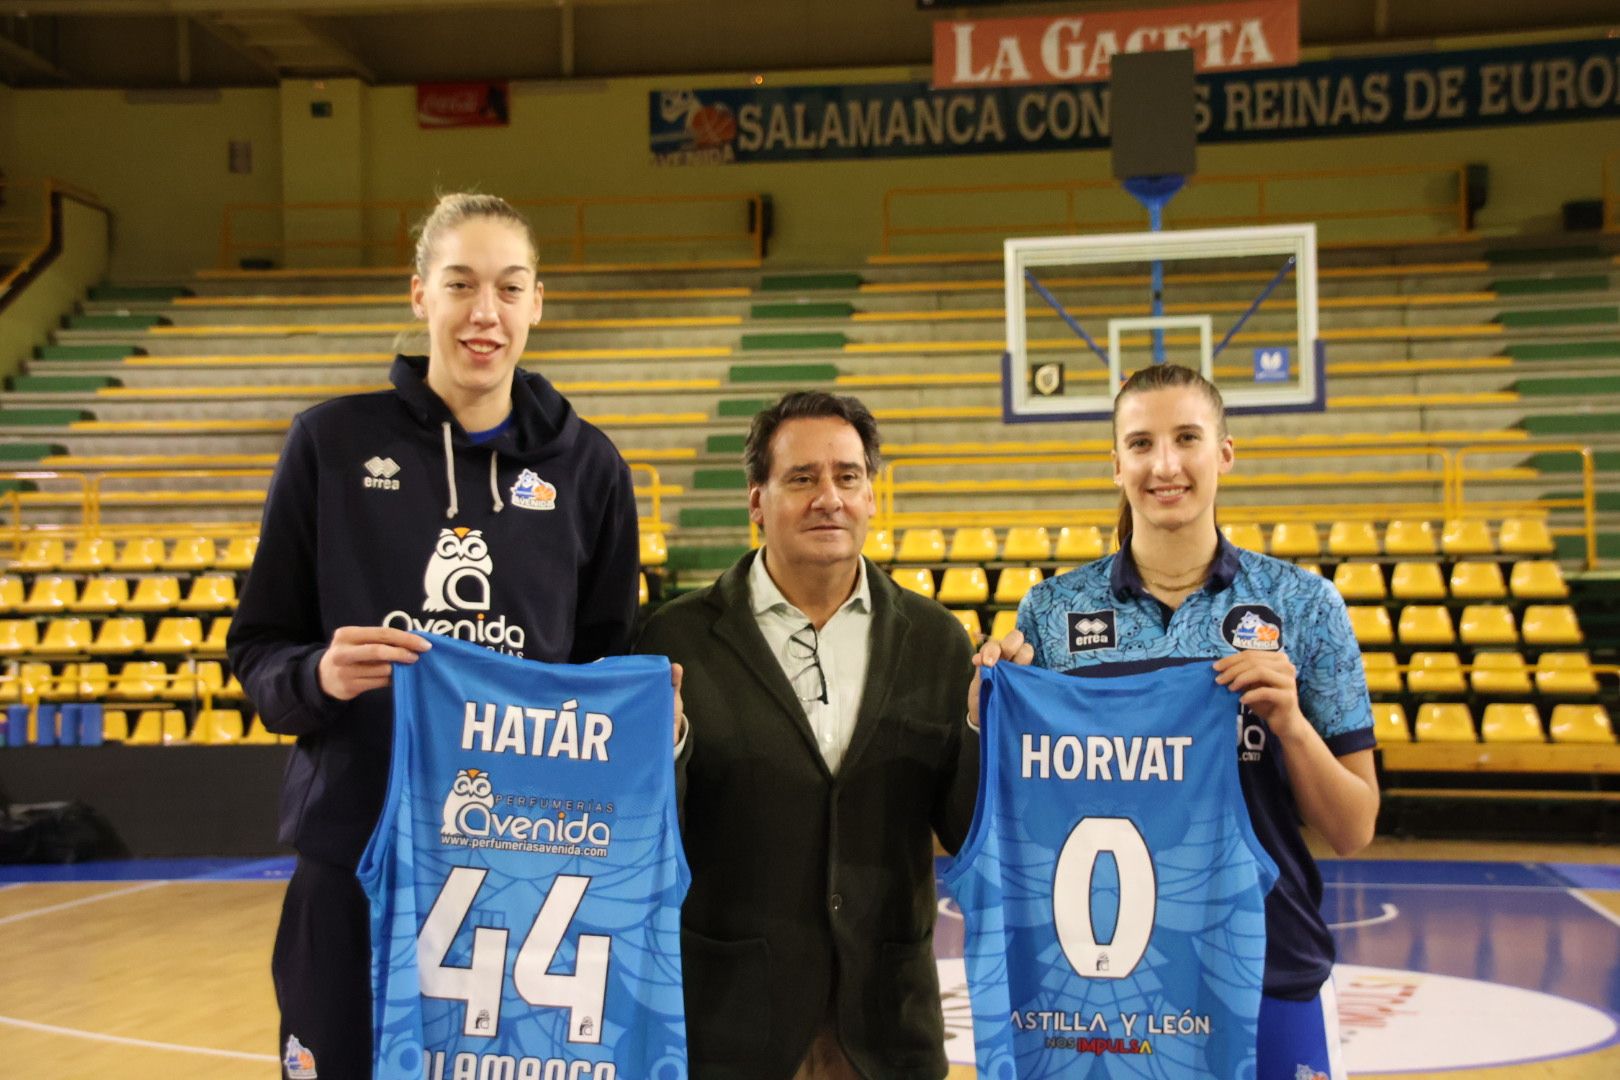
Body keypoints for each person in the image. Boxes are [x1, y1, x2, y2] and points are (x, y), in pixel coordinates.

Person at [228, 192, 642, 1080]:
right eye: (460, 284)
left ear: (539, 302)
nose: (483, 313)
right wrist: (320, 676)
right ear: (420, 295)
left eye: (508, 287)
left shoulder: (591, 470)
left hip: (525, 872)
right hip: (352, 856)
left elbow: (611, 669)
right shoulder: (329, 446)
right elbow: (258, 650)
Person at [972, 362, 1379, 1080]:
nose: (1165, 465)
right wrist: (987, 718)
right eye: (1141, 444)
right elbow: (1028, 817)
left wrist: (1291, 727)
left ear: (1224, 453)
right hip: (1103, 988)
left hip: (1269, 968)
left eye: (1187, 438)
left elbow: (1353, 828)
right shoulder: (1052, 614)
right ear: (1116, 463)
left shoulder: (1305, 607)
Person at [635, 391, 978, 1080]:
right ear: (757, 500)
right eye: (802, 478)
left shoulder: (937, 639)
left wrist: (978, 732)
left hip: (889, 1026)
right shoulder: (672, 641)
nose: (829, 497)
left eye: (847, 477)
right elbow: (644, 833)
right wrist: (666, 749)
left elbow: (962, 825)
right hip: (730, 1024)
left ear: (871, 496)